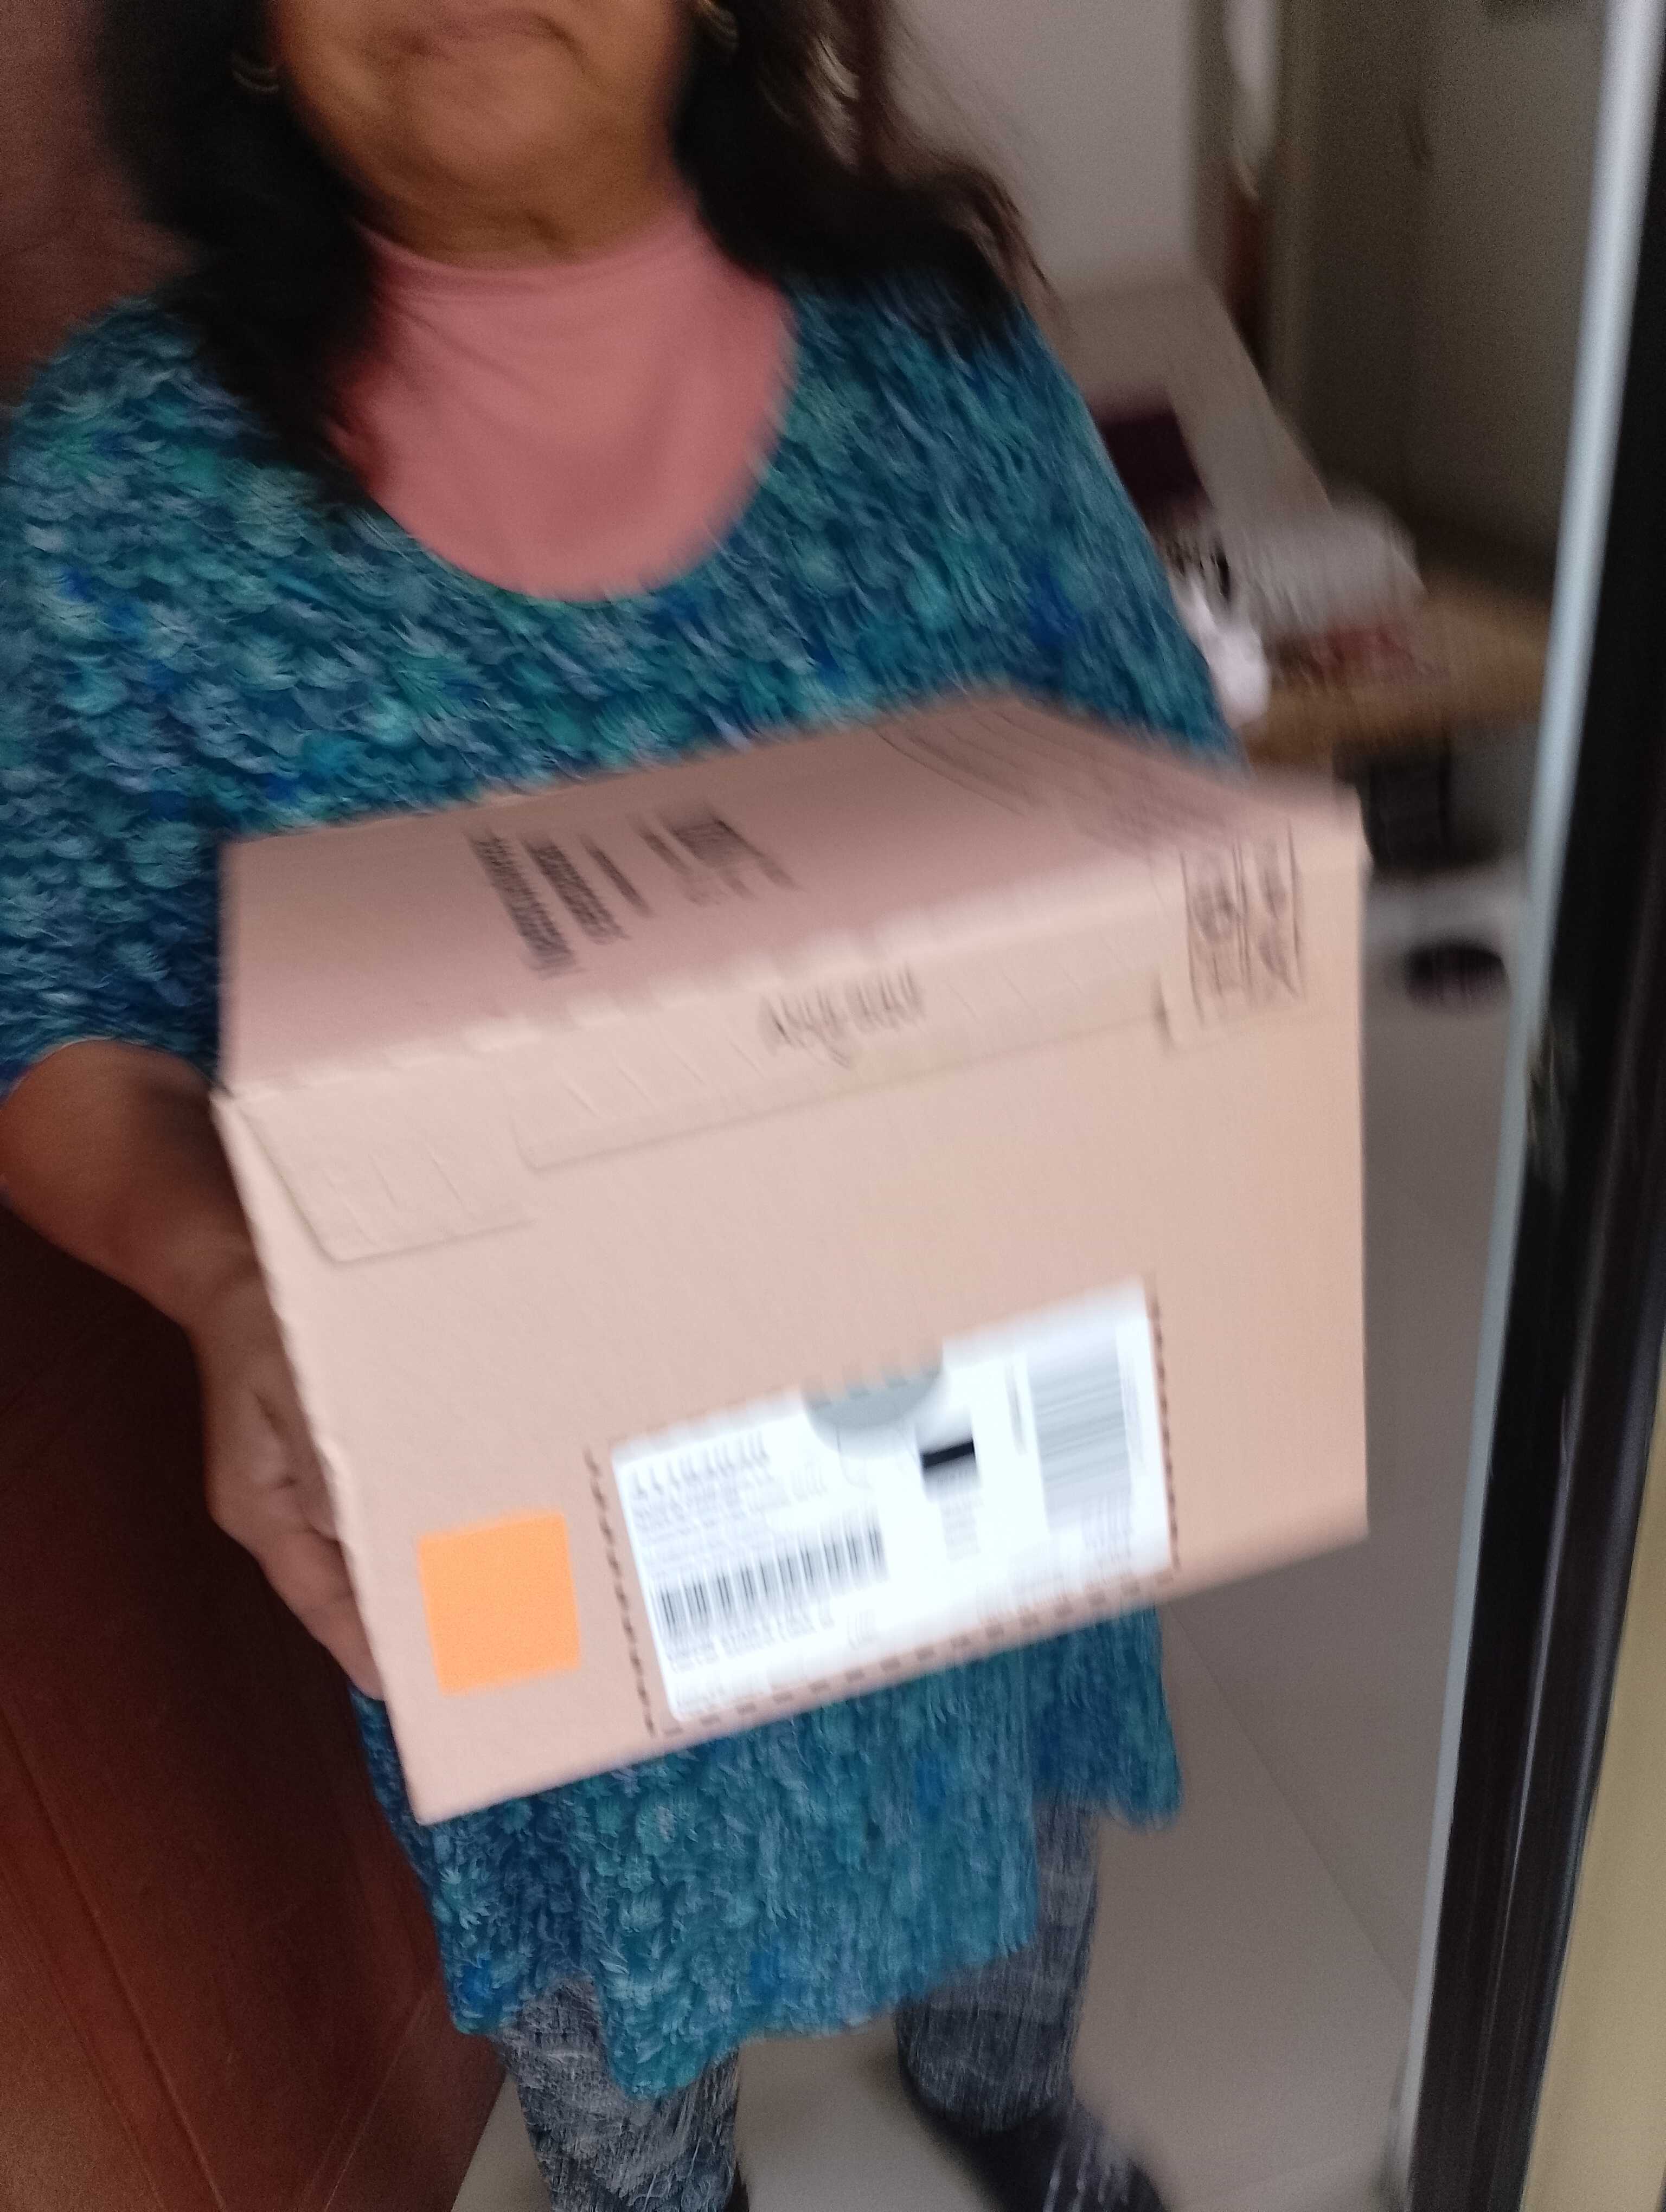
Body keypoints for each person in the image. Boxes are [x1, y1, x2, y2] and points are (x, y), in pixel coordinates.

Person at [0, 3, 1229, 2207]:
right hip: (515, 1499)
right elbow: (56, 1001)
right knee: (598, 1957)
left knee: (1014, 1789)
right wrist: (214, 1277)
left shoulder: (938, 374)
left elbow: (1169, 811)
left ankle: (1002, 2081)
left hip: (962, 1401)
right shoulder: (120, 491)